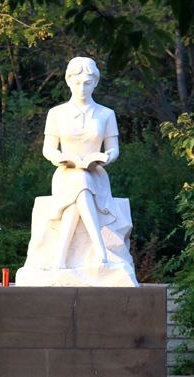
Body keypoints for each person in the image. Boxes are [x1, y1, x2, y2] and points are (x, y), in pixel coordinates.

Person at [42, 56, 120, 269]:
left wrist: (107, 156)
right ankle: (99, 247)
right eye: (77, 83)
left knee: (81, 182)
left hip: (95, 174)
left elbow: (114, 149)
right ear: (68, 81)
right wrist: (56, 156)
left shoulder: (106, 114)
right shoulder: (56, 113)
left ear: (95, 82)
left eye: (87, 83)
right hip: (66, 173)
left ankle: (61, 256)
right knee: (79, 180)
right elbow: (48, 148)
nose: (82, 89)